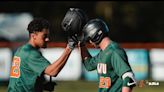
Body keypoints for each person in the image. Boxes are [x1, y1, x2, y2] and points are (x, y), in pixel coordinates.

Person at [7, 18, 77, 92]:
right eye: (44, 36)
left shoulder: (22, 50)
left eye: (48, 36)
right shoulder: (30, 53)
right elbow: (52, 71)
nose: (47, 39)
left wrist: (42, 86)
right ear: (33, 36)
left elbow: (22, 80)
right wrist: (69, 48)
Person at [78, 18, 137, 92]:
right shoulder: (103, 52)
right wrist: (81, 45)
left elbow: (129, 78)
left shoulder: (114, 51)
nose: (90, 42)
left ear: (95, 36)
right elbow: (89, 65)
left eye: (90, 39)